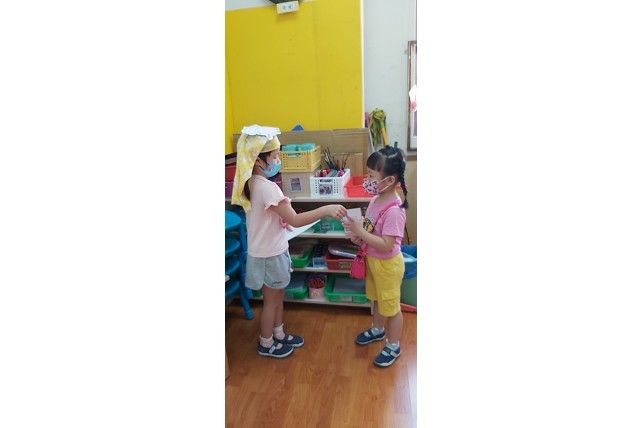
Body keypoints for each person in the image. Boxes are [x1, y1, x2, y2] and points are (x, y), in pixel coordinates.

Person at [232, 131, 347, 359]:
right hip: (270, 255)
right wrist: (325, 209)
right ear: (258, 160)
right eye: (275, 156)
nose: (278, 161)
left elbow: (268, 215)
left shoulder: (251, 183)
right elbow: (295, 219)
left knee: (276, 298)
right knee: (272, 302)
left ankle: (279, 333)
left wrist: (279, 218)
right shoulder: (267, 187)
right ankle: (266, 343)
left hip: (266, 251)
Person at [342, 144, 409, 367]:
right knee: (377, 300)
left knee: (392, 307)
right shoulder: (375, 199)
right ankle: (378, 330)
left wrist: (362, 233)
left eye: (371, 176)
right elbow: (371, 230)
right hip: (373, 261)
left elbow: (387, 245)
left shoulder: (395, 210)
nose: (367, 180)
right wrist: (359, 237)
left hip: (387, 266)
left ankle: (393, 346)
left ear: (389, 180)